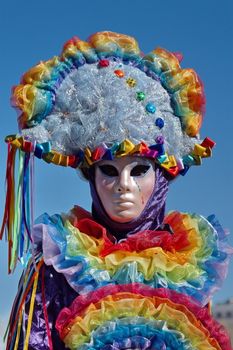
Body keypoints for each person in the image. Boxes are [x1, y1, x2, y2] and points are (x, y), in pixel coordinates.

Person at [1, 31, 232, 349]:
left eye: (139, 170)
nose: (124, 185)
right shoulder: (62, 263)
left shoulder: (187, 269)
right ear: (91, 178)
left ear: (162, 176)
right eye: (108, 171)